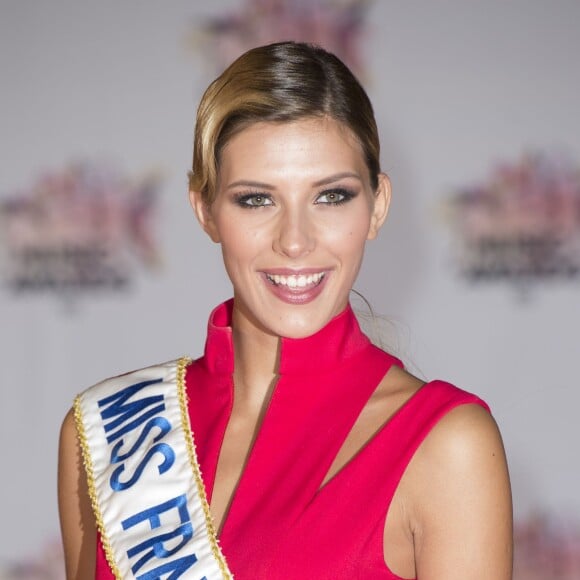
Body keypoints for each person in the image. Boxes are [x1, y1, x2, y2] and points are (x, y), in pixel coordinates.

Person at [58, 41, 513, 579]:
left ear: (378, 205)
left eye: (332, 196)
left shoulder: (446, 446)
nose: (295, 241)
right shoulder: (111, 433)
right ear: (205, 210)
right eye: (256, 199)